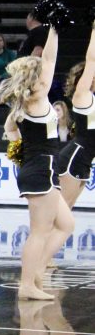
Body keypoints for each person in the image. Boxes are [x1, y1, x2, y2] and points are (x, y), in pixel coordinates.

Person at [0, 26, 73, 301]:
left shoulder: (25, 103)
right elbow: (49, 60)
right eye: (41, 73)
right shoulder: (36, 99)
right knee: (39, 231)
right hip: (40, 169)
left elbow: (9, 129)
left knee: (66, 224)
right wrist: (55, 30)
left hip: (38, 167)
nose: (46, 75)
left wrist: (20, 151)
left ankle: (35, 273)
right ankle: (28, 283)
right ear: (34, 77)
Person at [57, 20, 95, 209]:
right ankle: (41, 238)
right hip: (75, 156)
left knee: (67, 211)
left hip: (85, 160)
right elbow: (92, 60)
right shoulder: (82, 96)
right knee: (62, 211)